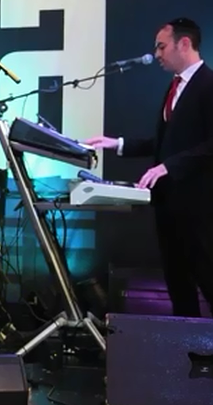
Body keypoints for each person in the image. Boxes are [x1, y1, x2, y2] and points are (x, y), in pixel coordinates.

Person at [86, 17, 213, 318]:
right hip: (169, 205)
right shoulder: (175, 87)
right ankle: (185, 343)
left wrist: (169, 166)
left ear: (184, 44)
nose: (156, 54)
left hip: (198, 207)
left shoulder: (208, 85)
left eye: (161, 46)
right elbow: (165, 142)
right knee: (178, 284)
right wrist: (116, 144)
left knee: (207, 277)